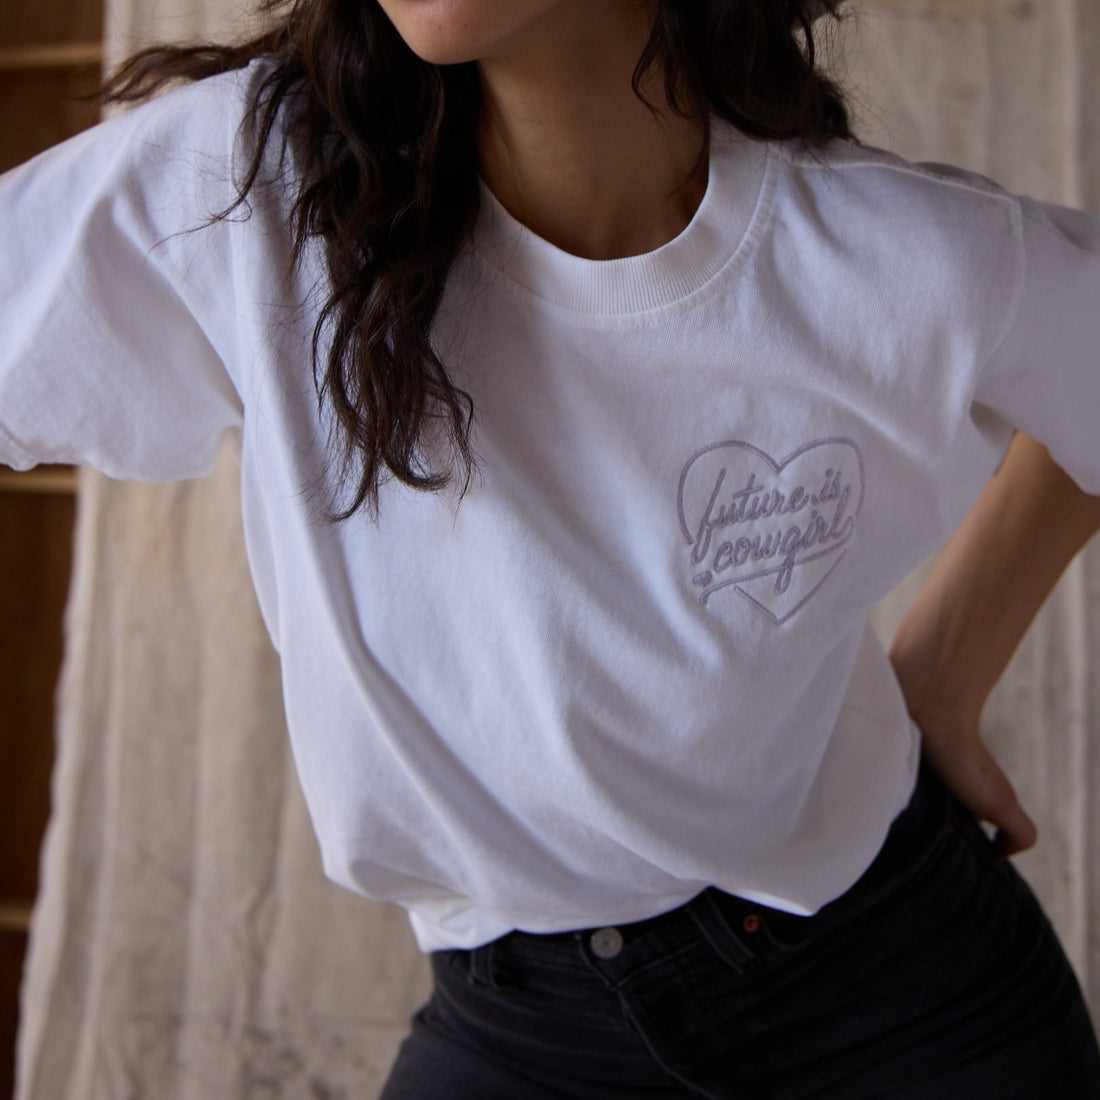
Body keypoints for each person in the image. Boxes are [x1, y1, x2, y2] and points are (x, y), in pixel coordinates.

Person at [2, 0, 1100, 1095]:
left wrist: (945, 672)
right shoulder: (249, 189)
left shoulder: (894, 255)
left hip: (902, 990)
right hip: (519, 1023)